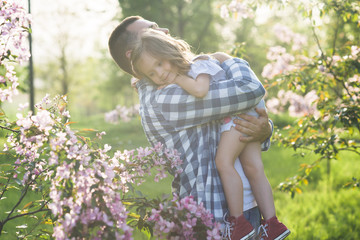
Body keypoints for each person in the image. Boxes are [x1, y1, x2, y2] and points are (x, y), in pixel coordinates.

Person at [108, 16, 275, 239]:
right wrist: (226, 59)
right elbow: (249, 89)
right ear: (133, 54)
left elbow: (231, 115)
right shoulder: (165, 96)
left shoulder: (176, 80)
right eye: (153, 30)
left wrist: (265, 129)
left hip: (241, 204)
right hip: (221, 215)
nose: (165, 30)